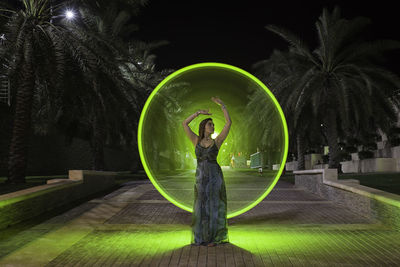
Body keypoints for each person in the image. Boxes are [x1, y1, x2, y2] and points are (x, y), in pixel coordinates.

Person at [182, 96, 231, 247]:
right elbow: (184, 123)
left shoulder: (217, 141)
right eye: (210, 124)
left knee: (214, 205)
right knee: (200, 207)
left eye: (213, 125)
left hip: (215, 177)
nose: (213, 126)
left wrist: (222, 104)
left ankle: (213, 238)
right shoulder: (196, 140)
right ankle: (201, 237)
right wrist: (198, 113)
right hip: (201, 177)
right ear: (204, 127)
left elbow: (228, 123)